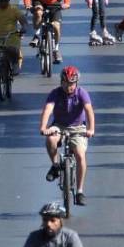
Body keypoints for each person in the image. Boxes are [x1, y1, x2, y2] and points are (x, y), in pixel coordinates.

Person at [41, 65, 95, 203]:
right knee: (50, 140)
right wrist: (44, 127)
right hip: (59, 125)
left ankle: (79, 192)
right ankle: (55, 166)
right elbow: (48, 109)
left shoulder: (81, 93)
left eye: (71, 83)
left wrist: (91, 129)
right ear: (61, 82)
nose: (68, 86)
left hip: (77, 128)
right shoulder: (55, 93)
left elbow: (89, 111)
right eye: (66, 83)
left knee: (80, 155)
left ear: (76, 83)